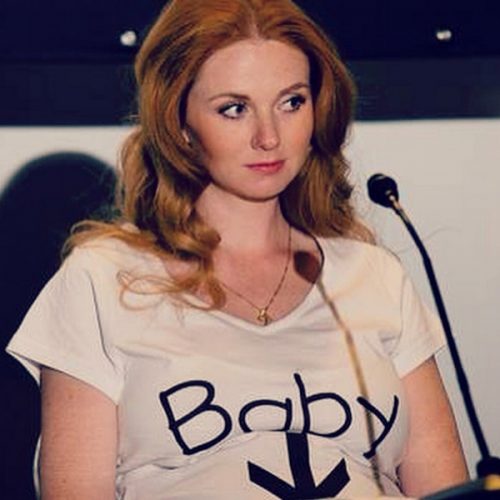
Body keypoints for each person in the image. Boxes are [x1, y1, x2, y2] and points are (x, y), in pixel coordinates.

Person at [7, 0, 468, 498]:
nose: (269, 137)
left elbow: (443, 486)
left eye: (291, 102)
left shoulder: (375, 276)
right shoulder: (102, 281)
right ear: (178, 120)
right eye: (234, 108)